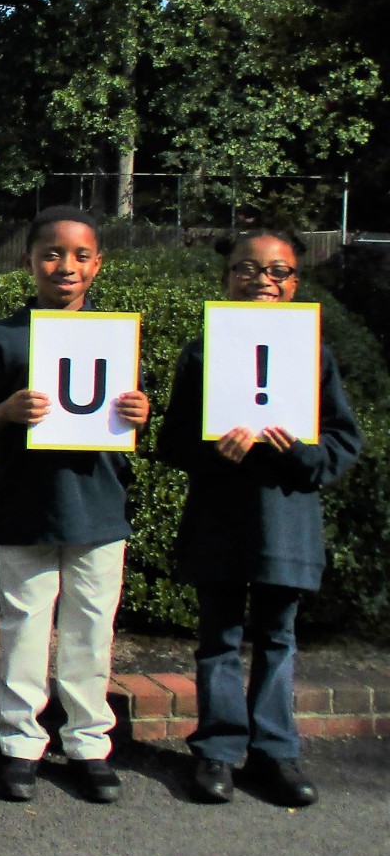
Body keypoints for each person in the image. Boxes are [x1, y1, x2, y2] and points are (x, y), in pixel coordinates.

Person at [156, 229, 361, 807]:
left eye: (277, 271)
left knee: (278, 637)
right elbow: (172, 441)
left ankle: (275, 751)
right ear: (226, 279)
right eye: (247, 268)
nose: (261, 280)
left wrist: (301, 452)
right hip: (219, 519)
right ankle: (217, 751)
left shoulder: (315, 354)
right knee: (217, 638)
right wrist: (210, 449)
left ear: (295, 284)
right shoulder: (204, 351)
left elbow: (345, 442)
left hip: (286, 522)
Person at [0, 209, 152, 803]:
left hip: (97, 505)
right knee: (24, 626)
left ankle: (88, 742)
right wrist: (5, 413)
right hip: (26, 504)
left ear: (97, 264)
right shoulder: (4, 336)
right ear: (29, 260)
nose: (64, 266)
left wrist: (140, 414)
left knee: (91, 631)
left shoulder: (116, 338)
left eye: (78, 255)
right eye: (51, 253)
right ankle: (20, 743)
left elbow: (127, 422)